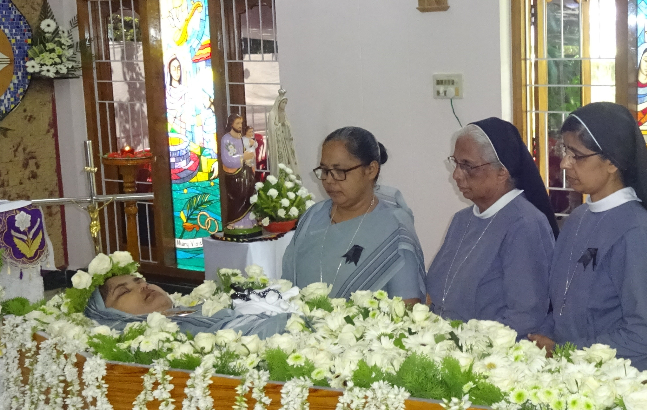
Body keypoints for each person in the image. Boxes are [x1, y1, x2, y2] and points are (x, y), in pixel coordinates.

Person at [529, 102, 647, 371]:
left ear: (612, 161)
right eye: (565, 151)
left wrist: (564, 352)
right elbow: (562, 307)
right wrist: (538, 338)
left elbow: (642, 337)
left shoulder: (635, 231)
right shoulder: (578, 219)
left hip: (617, 377)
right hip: (570, 369)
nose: (564, 163)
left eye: (576, 155)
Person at [427, 118, 558, 338]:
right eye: (455, 163)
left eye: (467, 166)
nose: (456, 174)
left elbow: (525, 316)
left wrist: (466, 346)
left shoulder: (525, 224)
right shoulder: (461, 220)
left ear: (502, 172)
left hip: (488, 353)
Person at [282, 127, 426, 302]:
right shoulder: (313, 216)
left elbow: (407, 306)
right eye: (325, 171)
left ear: (371, 170)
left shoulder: (394, 228)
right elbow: (288, 287)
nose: (329, 180)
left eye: (339, 171)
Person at [83, 274, 293, 338]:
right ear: (109, 316)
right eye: (124, 291)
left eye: (140, 281)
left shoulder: (188, 310)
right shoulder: (159, 343)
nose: (143, 286)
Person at [220, 113, 257, 231]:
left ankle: (249, 220)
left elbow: (246, 152)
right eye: (237, 123)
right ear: (231, 124)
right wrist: (242, 157)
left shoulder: (241, 138)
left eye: (241, 123)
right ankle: (235, 222)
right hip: (234, 175)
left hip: (245, 173)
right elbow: (227, 159)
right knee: (238, 198)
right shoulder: (226, 139)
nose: (240, 125)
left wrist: (249, 159)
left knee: (250, 194)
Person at [266, 89, 300, 175]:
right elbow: (272, 129)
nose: (284, 105)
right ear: (279, 102)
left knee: (288, 161)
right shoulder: (272, 114)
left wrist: (285, 125)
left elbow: (288, 126)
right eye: (283, 103)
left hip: (285, 142)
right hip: (278, 143)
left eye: (285, 103)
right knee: (280, 161)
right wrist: (279, 126)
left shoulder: (283, 113)